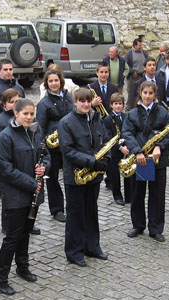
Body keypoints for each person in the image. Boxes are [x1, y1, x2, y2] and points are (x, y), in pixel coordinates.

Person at [0, 98, 49, 295]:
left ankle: (22, 267)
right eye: (25, 114)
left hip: (33, 192)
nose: (29, 117)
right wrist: (32, 183)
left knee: (26, 232)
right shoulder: (5, 137)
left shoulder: (36, 131)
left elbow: (46, 154)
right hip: (16, 194)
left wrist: (44, 167)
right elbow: (5, 170)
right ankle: (0, 278)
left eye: (32, 114)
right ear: (15, 114)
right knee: (12, 237)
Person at [58, 88, 110, 267]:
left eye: (88, 101)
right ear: (75, 102)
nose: (86, 104)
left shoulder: (96, 119)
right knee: (75, 215)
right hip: (75, 176)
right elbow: (68, 151)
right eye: (82, 101)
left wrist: (104, 160)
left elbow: (104, 142)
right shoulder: (66, 123)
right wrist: (91, 162)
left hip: (93, 176)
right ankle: (74, 252)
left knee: (91, 212)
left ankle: (92, 247)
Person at [122, 81, 169, 242]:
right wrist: (137, 151)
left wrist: (160, 146)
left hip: (157, 159)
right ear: (140, 93)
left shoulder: (163, 113)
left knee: (157, 195)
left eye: (150, 93)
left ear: (155, 95)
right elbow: (127, 133)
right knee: (138, 194)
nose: (147, 96)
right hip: (142, 159)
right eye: (144, 93)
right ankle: (138, 225)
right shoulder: (132, 113)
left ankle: (156, 228)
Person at [36, 69, 74, 222]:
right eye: (50, 81)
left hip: (69, 143)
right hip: (53, 145)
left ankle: (72, 206)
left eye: (56, 80)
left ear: (61, 81)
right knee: (52, 178)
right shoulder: (44, 103)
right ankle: (57, 209)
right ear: (47, 83)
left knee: (70, 176)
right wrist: (43, 145)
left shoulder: (68, 97)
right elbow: (40, 126)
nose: (54, 83)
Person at [104, 93, 131, 205]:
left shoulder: (127, 117)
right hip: (115, 151)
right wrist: (120, 147)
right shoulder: (107, 120)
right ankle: (117, 195)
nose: (118, 106)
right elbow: (108, 137)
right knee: (115, 175)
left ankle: (129, 195)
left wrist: (128, 145)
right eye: (116, 104)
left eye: (120, 104)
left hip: (127, 149)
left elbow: (130, 132)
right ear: (111, 105)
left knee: (128, 173)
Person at [124, 38, 148, 105]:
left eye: (141, 45)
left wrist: (145, 71)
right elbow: (126, 64)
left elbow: (147, 61)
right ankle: (129, 108)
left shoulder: (143, 53)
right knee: (131, 94)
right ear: (134, 45)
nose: (141, 47)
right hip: (133, 78)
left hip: (142, 76)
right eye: (139, 45)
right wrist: (132, 71)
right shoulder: (129, 53)